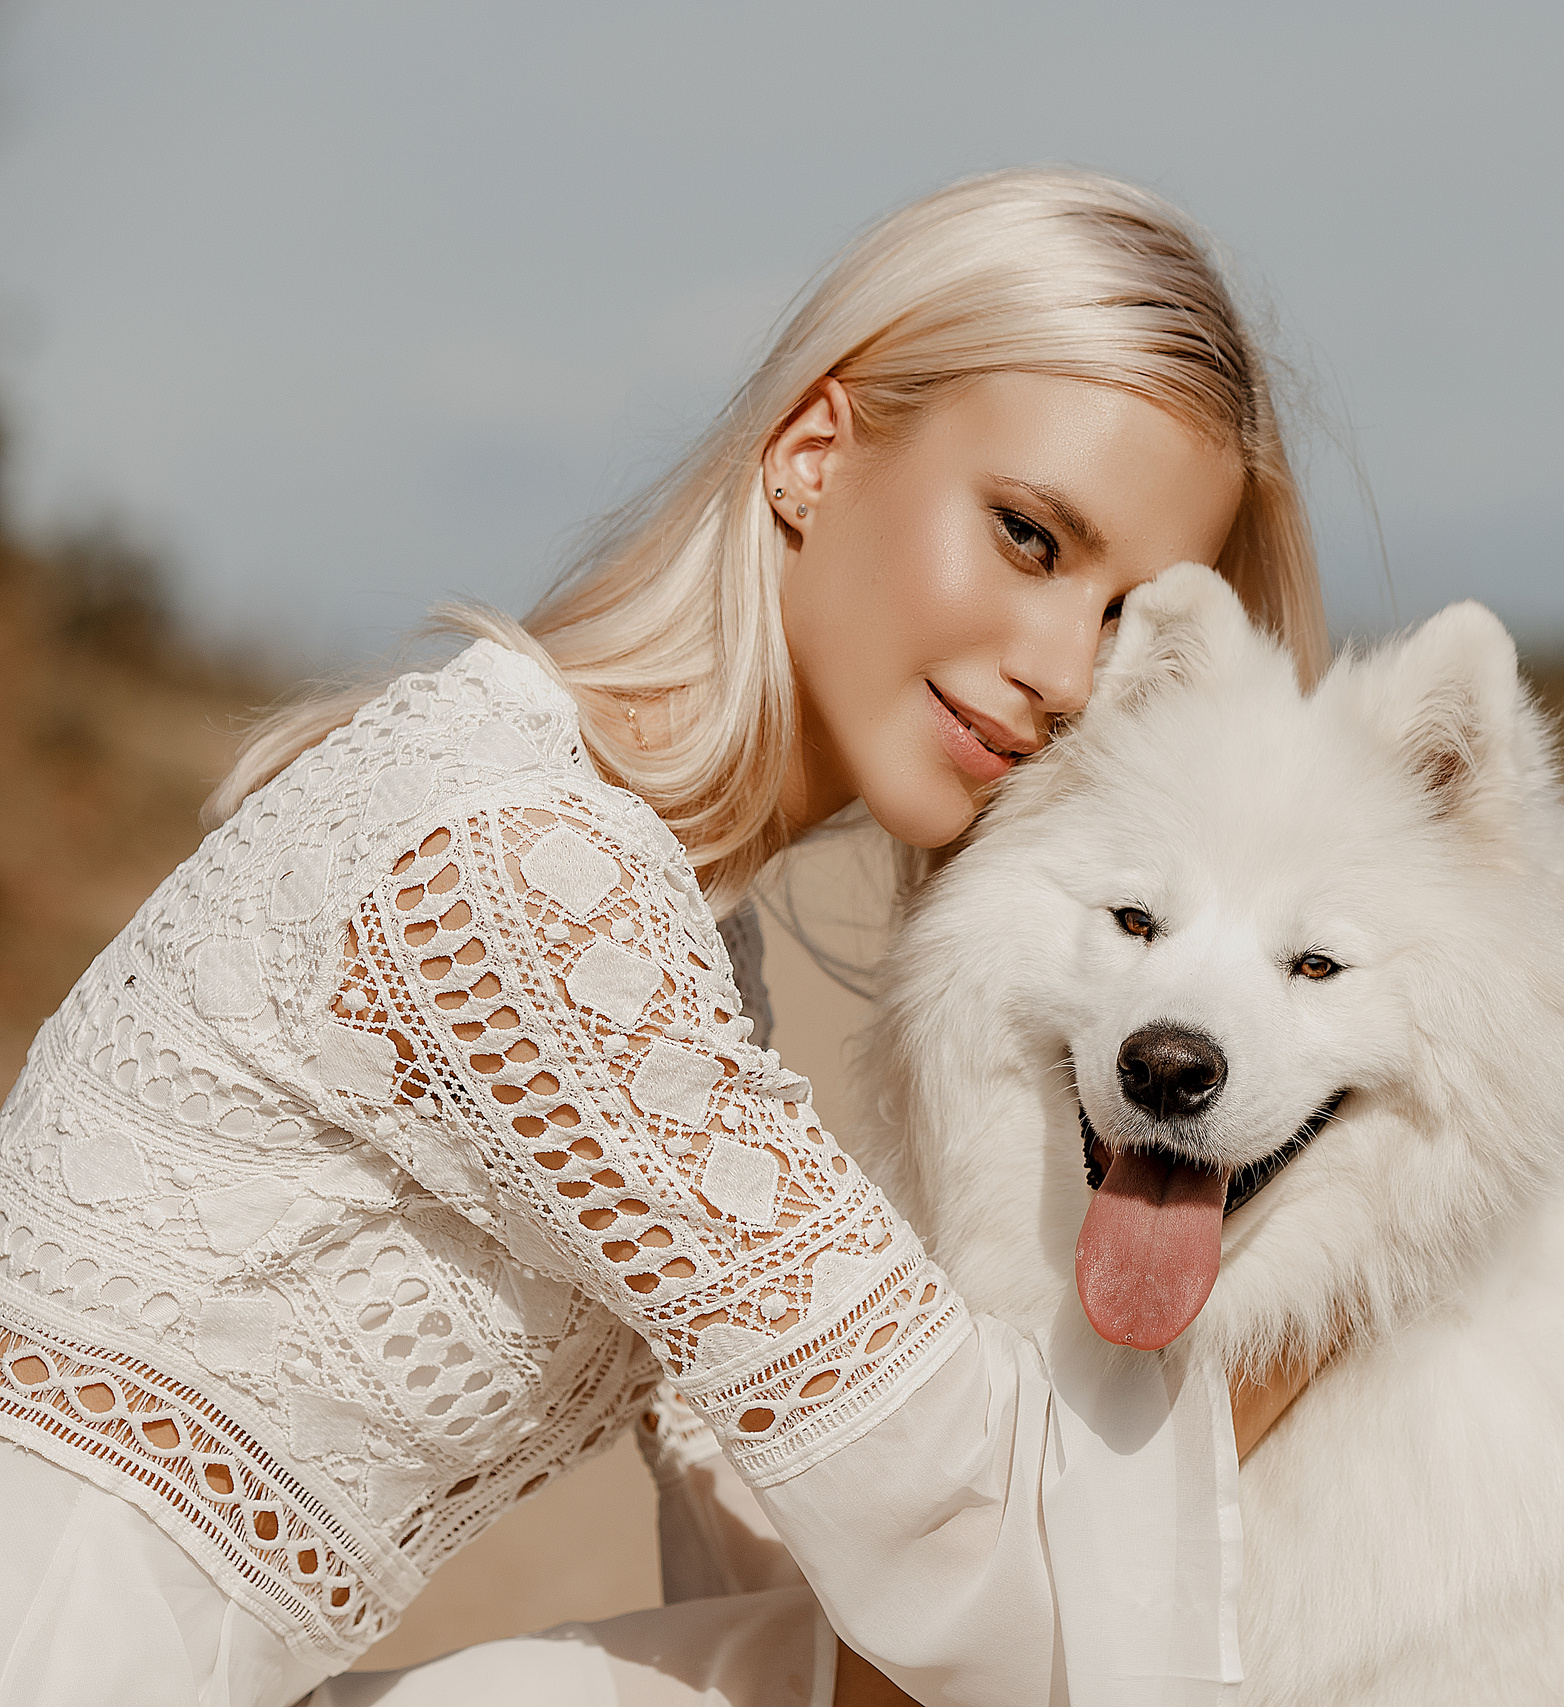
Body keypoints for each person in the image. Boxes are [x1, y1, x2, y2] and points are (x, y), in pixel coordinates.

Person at [0, 167, 1331, 1707]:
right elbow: (974, 1546)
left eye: (1128, 623)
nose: (1061, 675)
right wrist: (1351, 1341)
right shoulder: (525, 874)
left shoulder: (660, 916)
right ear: (815, 452)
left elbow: (795, 1533)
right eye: (1030, 538)